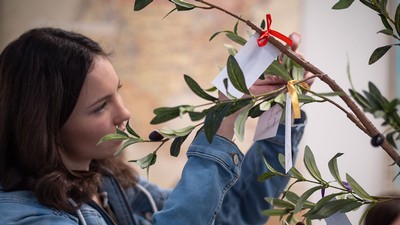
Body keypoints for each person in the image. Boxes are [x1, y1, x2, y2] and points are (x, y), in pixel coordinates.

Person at [0, 27, 309, 225]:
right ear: (44, 127)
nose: (125, 113)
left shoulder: (109, 184)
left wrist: (284, 105)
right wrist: (223, 117)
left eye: (117, 93)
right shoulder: (27, 218)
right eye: (100, 107)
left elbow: (232, 214)